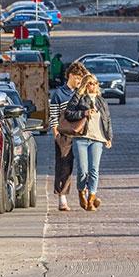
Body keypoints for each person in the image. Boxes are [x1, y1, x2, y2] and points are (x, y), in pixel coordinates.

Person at [62, 74, 114, 211]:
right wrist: (84, 113)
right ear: (85, 85)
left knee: (94, 170)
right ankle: (81, 192)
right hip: (81, 138)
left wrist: (109, 137)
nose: (94, 86)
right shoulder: (78, 97)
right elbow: (68, 114)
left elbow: (107, 120)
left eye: (96, 83)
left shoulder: (101, 101)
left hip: (97, 139)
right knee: (82, 170)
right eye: (91, 83)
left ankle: (91, 198)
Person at [49, 62, 89, 211]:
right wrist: (55, 132)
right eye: (77, 78)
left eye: (81, 79)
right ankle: (62, 197)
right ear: (70, 76)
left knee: (84, 165)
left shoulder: (82, 93)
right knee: (64, 165)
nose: (79, 81)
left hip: (81, 133)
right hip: (64, 133)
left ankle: (85, 192)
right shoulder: (59, 94)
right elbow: (53, 114)